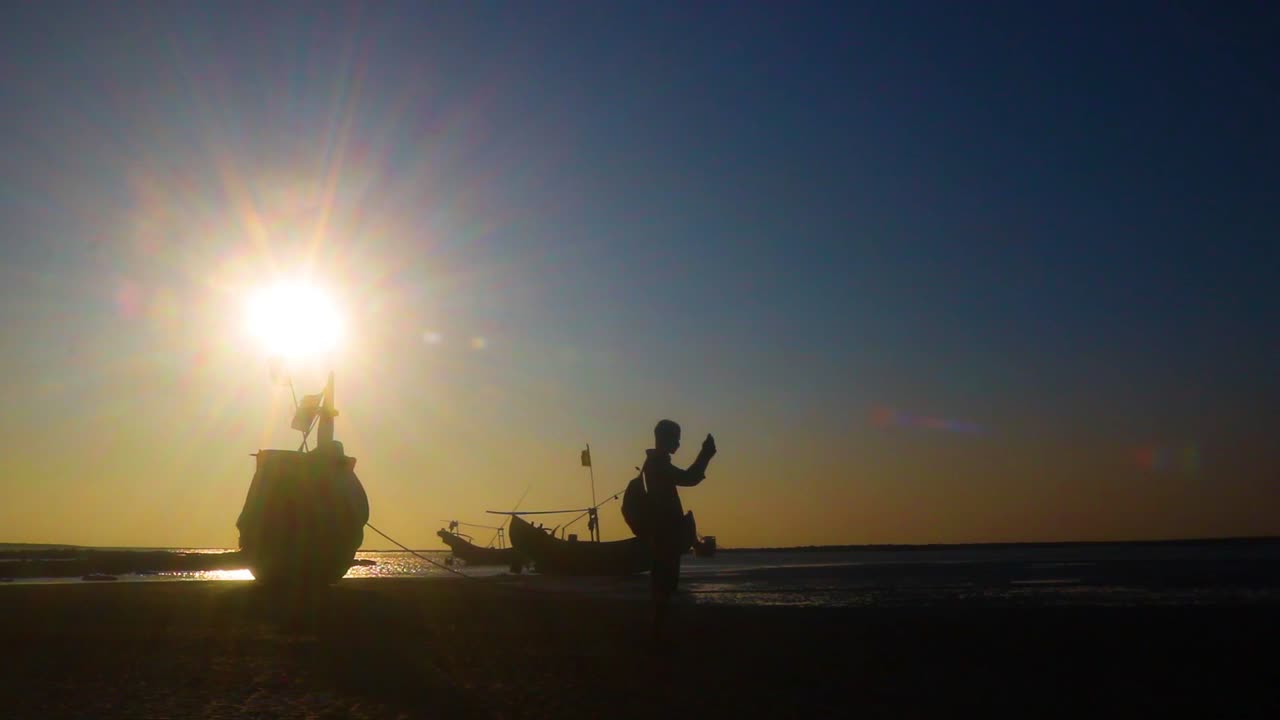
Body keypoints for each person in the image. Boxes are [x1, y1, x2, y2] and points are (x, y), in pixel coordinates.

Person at [641, 419, 716, 643]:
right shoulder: (657, 464)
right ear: (664, 438)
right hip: (664, 537)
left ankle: (658, 636)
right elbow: (689, 478)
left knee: (663, 589)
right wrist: (705, 455)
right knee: (663, 589)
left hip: (662, 536)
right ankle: (657, 638)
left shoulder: (655, 463)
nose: (679, 443)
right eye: (676, 438)